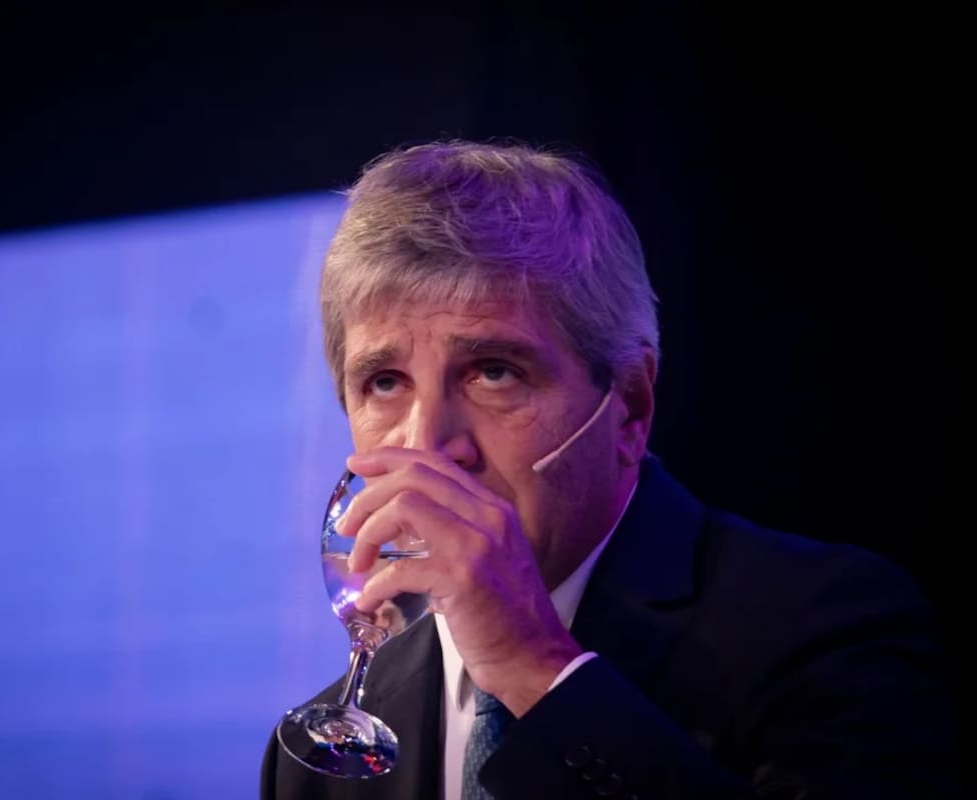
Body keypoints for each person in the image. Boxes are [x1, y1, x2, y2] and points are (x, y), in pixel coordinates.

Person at [259, 140, 962, 799]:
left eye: (493, 372)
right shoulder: (321, 756)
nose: (429, 445)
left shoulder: (826, 626)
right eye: (384, 383)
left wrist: (537, 671)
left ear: (629, 406)